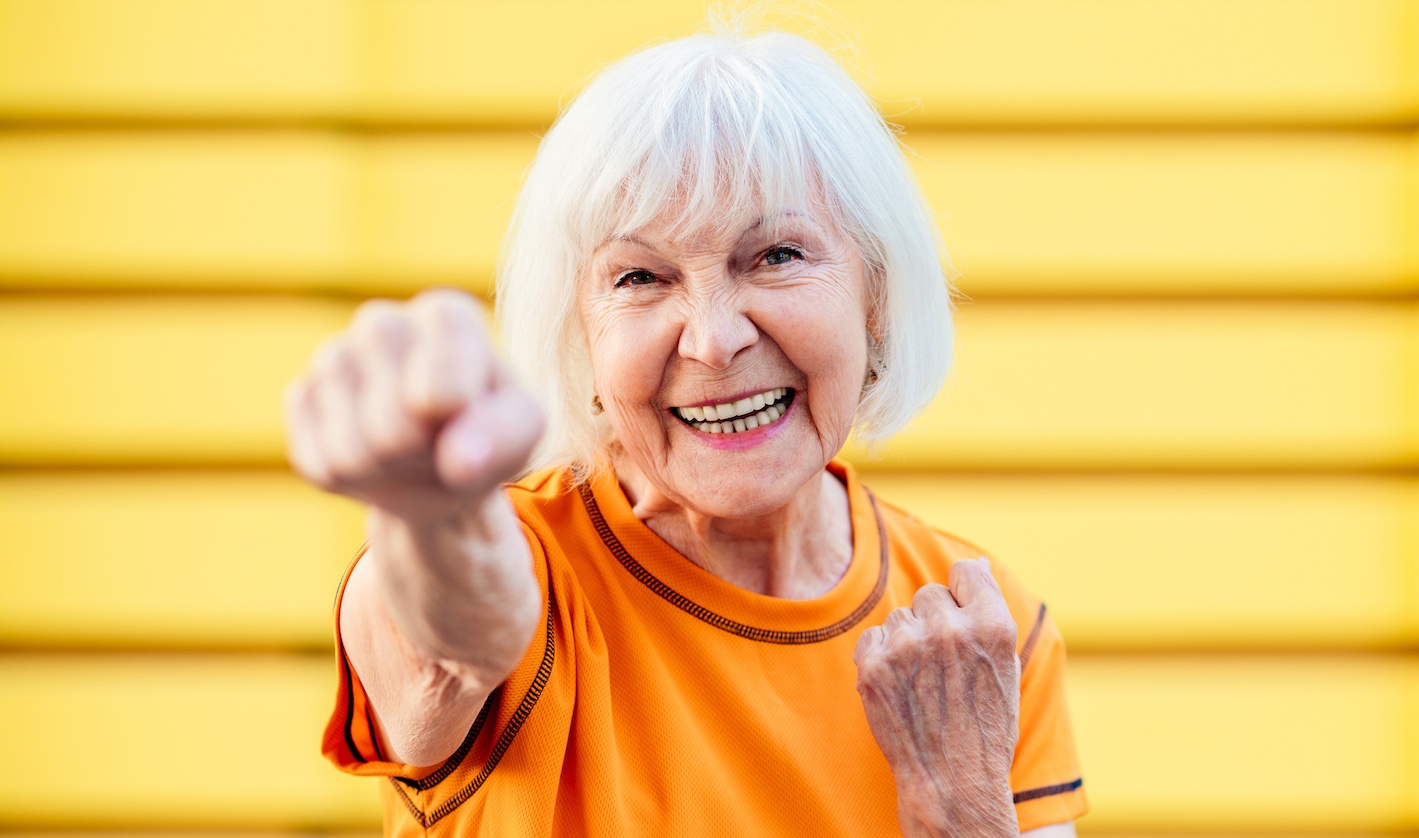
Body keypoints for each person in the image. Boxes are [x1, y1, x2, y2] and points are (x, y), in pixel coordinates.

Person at [287, 18, 1087, 837]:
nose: (712, 339)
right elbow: (454, 632)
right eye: (640, 276)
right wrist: (433, 513)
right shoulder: (529, 568)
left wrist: (960, 805)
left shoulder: (975, 627)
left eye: (775, 255)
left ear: (875, 297)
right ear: (582, 339)